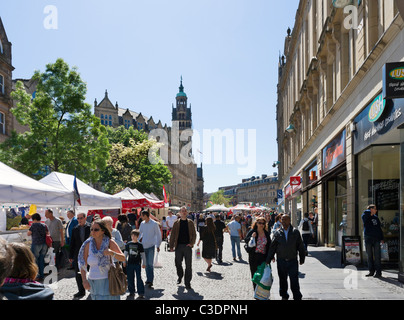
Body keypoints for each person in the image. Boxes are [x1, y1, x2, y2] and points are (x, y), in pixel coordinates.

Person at [78, 219, 126, 300]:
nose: (93, 231)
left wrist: (112, 253)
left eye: (96, 229)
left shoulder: (110, 242)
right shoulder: (87, 244)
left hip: (109, 281)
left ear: (103, 231)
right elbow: (82, 264)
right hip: (93, 282)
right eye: (92, 229)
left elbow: (123, 258)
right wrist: (84, 280)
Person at [266, 214, 305, 300]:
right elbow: (273, 247)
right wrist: (268, 259)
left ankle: (297, 296)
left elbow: (300, 246)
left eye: (285, 220)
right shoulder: (277, 233)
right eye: (282, 220)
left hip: (292, 261)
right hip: (281, 261)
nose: (283, 222)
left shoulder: (295, 232)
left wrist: (302, 258)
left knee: (294, 280)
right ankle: (284, 295)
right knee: (283, 280)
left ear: (289, 220)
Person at [169, 206, 197, 290]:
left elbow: (194, 234)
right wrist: (171, 246)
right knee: (178, 263)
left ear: (187, 213)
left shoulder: (190, 222)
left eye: (185, 211)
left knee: (188, 265)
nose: (184, 212)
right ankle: (180, 276)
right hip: (178, 246)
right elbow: (173, 235)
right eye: (182, 211)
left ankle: (187, 282)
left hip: (187, 246)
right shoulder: (176, 223)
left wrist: (191, 244)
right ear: (180, 213)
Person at [245, 216, 271, 289]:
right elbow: (246, 240)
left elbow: (269, 245)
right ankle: (256, 291)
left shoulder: (266, 233)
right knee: (254, 275)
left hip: (263, 257)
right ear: (256, 223)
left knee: (262, 275)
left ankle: (261, 291)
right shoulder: (253, 231)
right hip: (254, 256)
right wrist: (252, 237)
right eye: (259, 223)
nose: (261, 224)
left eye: (263, 223)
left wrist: (271, 256)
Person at [69, 212, 91, 299]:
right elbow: (72, 242)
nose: (79, 220)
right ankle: (81, 291)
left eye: (81, 218)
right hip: (78, 254)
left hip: (90, 253)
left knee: (90, 271)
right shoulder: (75, 229)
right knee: (78, 273)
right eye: (78, 218)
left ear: (85, 218)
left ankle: (92, 289)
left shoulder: (90, 227)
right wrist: (70, 255)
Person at [138, 210, 162, 288]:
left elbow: (158, 234)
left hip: (151, 246)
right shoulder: (142, 224)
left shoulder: (154, 224)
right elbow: (140, 233)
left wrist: (158, 245)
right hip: (143, 246)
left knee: (150, 264)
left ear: (146, 216)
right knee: (145, 264)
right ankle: (148, 279)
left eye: (141, 215)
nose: (140, 217)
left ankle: (150, 280)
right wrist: (137, 242)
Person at [362, 204, 384, 278]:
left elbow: (379, 228)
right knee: (369, 256)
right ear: (371, 209)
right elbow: (366, 212)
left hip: (377, 238)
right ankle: (371, 271)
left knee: (377, 256)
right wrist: (369, 210)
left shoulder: (376, 217)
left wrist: (382, 238)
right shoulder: (365, 216)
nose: (376, 210)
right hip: (368, 238)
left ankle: (378, 272)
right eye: (375, 209)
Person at [27, 213, 49, 281]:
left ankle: (37, 275)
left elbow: (28, 234)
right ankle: (42, 275)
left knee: (35, 260)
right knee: (41, 260)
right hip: (44, 244)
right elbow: (47, 233)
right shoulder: (44, 225)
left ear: (34, 219)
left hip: (36, 243)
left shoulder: (33, 225)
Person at [124, 229, 145, 299]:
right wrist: (124, 261)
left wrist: (144, 263)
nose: (133, 237)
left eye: (135, 236)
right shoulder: (128, 244)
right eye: (132, 235)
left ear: (138, 236)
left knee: (139, 278)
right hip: (129, 264)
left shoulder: (140, 245)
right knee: (130, 278)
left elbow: (143, 255)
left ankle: (141, 292)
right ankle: (131, 291)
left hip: (137, 264)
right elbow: (125, 253)